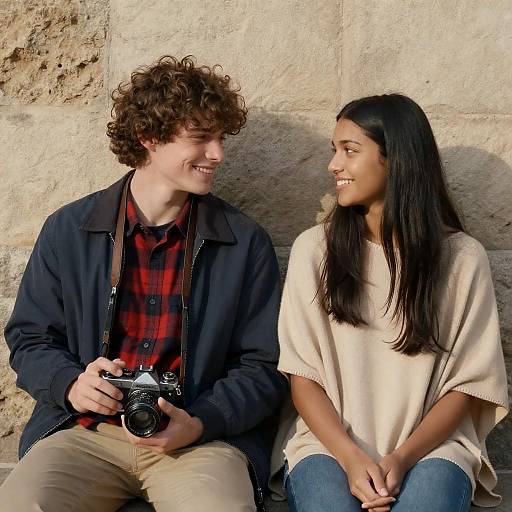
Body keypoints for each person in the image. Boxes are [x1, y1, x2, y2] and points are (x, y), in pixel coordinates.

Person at [2, 55, 288, 512]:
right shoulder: (69, 229)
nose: (219, 154)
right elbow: (29, 337)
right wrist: (71, 383)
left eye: (221, 138)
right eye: (201, 138)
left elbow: (266, 364)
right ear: (148, 137)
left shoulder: (245, 242)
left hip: (198, 440)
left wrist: (201, 420)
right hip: (86, 431)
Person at [270, 94, 509, 512]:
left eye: (350, 150)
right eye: (334, 150)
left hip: (434, 449)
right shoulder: (315, 250)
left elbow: (466, 385)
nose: (334, 165)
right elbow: (302, 377)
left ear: (394, 158)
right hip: (326, 446)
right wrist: (351, 457)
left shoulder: (461, 259)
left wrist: (400, 458)